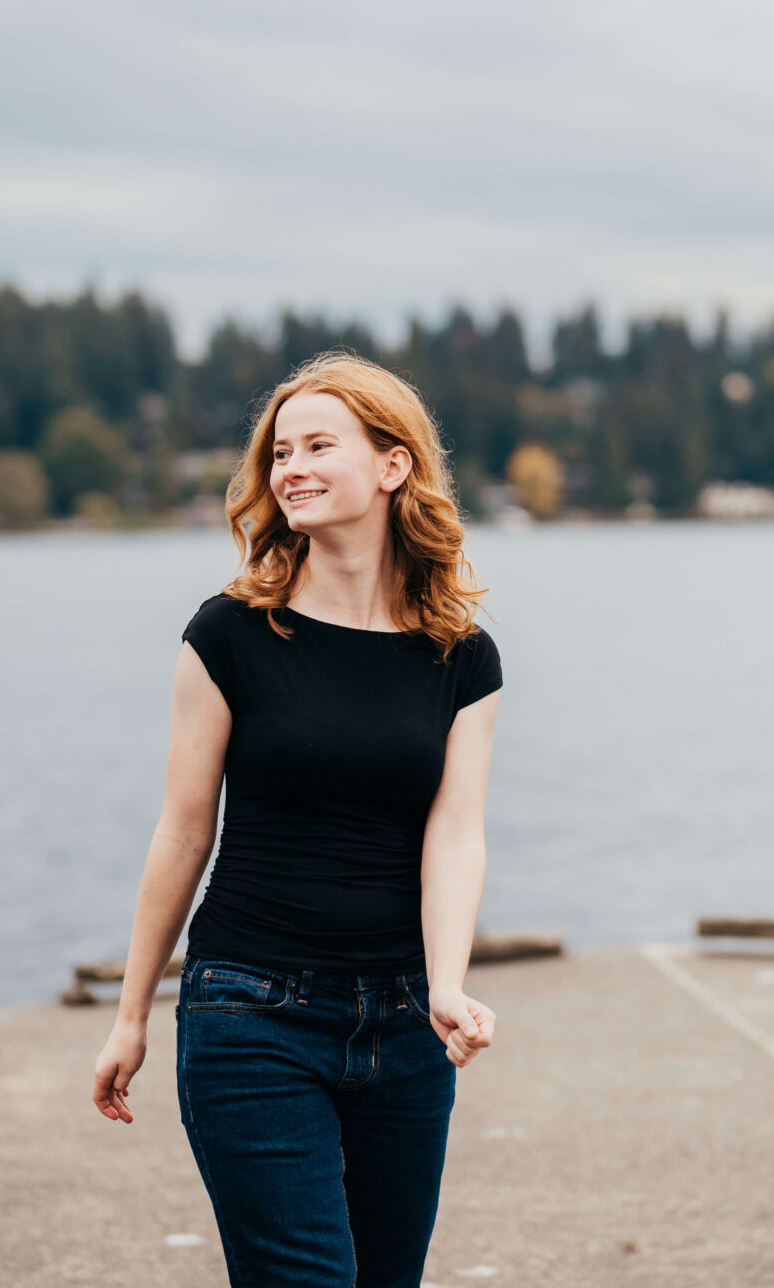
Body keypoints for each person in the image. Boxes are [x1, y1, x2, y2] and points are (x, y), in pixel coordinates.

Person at [91, 352, 504, 1288]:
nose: (292, 468)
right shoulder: (230, 633)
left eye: (320, 444)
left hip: (405, 1028)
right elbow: (183, 832)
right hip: (252, 1015)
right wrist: (131, 1015)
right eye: (281, 452)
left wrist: (447, 984)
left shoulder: (460, 654)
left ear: (393, 466)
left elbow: (456, 832)